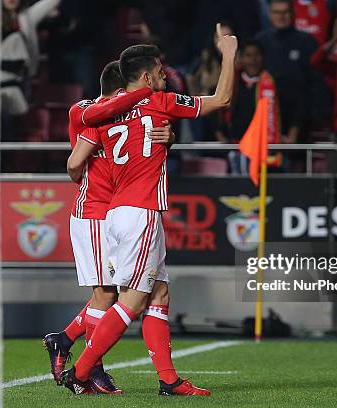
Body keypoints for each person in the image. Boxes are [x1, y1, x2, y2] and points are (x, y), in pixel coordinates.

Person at [62, 24, 237, 396]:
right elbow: (221, 100)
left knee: (159, 294)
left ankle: (169, 380)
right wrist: (229, 53)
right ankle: (80, 370)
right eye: (159, 71)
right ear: (145, 76)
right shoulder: (161, 102)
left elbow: (81, 159)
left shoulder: (101, 114)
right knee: (133, 299)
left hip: (114, 212)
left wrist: (167, 140)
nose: (164, 76)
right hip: (140, 211)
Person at [42, 62, 171, 393]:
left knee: (119, 292)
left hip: (114, 212)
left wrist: (167, 136)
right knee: (108, 294)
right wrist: (145, 91)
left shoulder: (119, 118)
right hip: (94, 211)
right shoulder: (88, 112)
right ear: (120, 93)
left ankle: (66, 340)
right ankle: (89, 370)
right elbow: (73, 163)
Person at [255, 0, 323, 148]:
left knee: (299, 167)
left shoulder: (307, 42)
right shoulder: (260, 42)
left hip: (302, 119)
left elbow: (316, 84)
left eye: (285, 12)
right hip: (268, 114)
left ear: (293, 14)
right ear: (270, 15)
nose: (281, 16)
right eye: (277, 12)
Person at [216, 40, 281, 174]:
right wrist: (219, 134)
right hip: (237, 145)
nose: (253, 60)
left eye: (256, 55)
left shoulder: (272, 82)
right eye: (248, 56)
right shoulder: (233, 82)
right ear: (240, 58)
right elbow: (216, 106)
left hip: (264, 146)